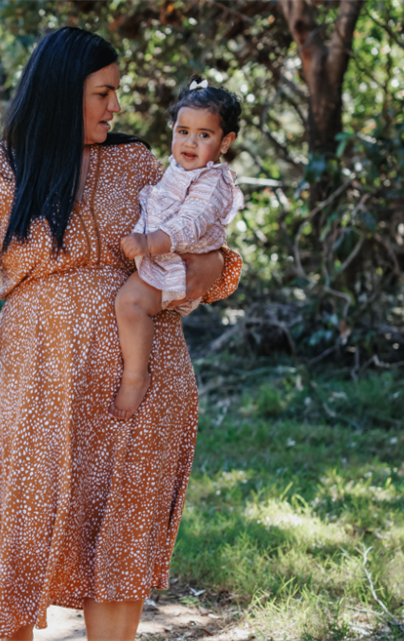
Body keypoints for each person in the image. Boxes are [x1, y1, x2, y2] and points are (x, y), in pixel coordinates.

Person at [0, 28, 243, 641]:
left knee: (119, 538)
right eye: (103, 93)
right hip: (40, 382)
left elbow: (202, 251)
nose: (116, 108)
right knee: (25, 527)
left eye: (117, 93)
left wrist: (212, 271)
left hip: (143, 386)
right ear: (60, 92)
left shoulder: (136, 163)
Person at [109, 75, 244, 420]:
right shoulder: (178, 168)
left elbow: (190, 225)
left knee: (130, 303)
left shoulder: (213, 182)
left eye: (204, 135)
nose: (190, 142)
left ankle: (136, 376)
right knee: (131, 302)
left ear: (225, 142)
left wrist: (147, 242)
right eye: (183, 131)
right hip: (166, 258)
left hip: (176, 264)